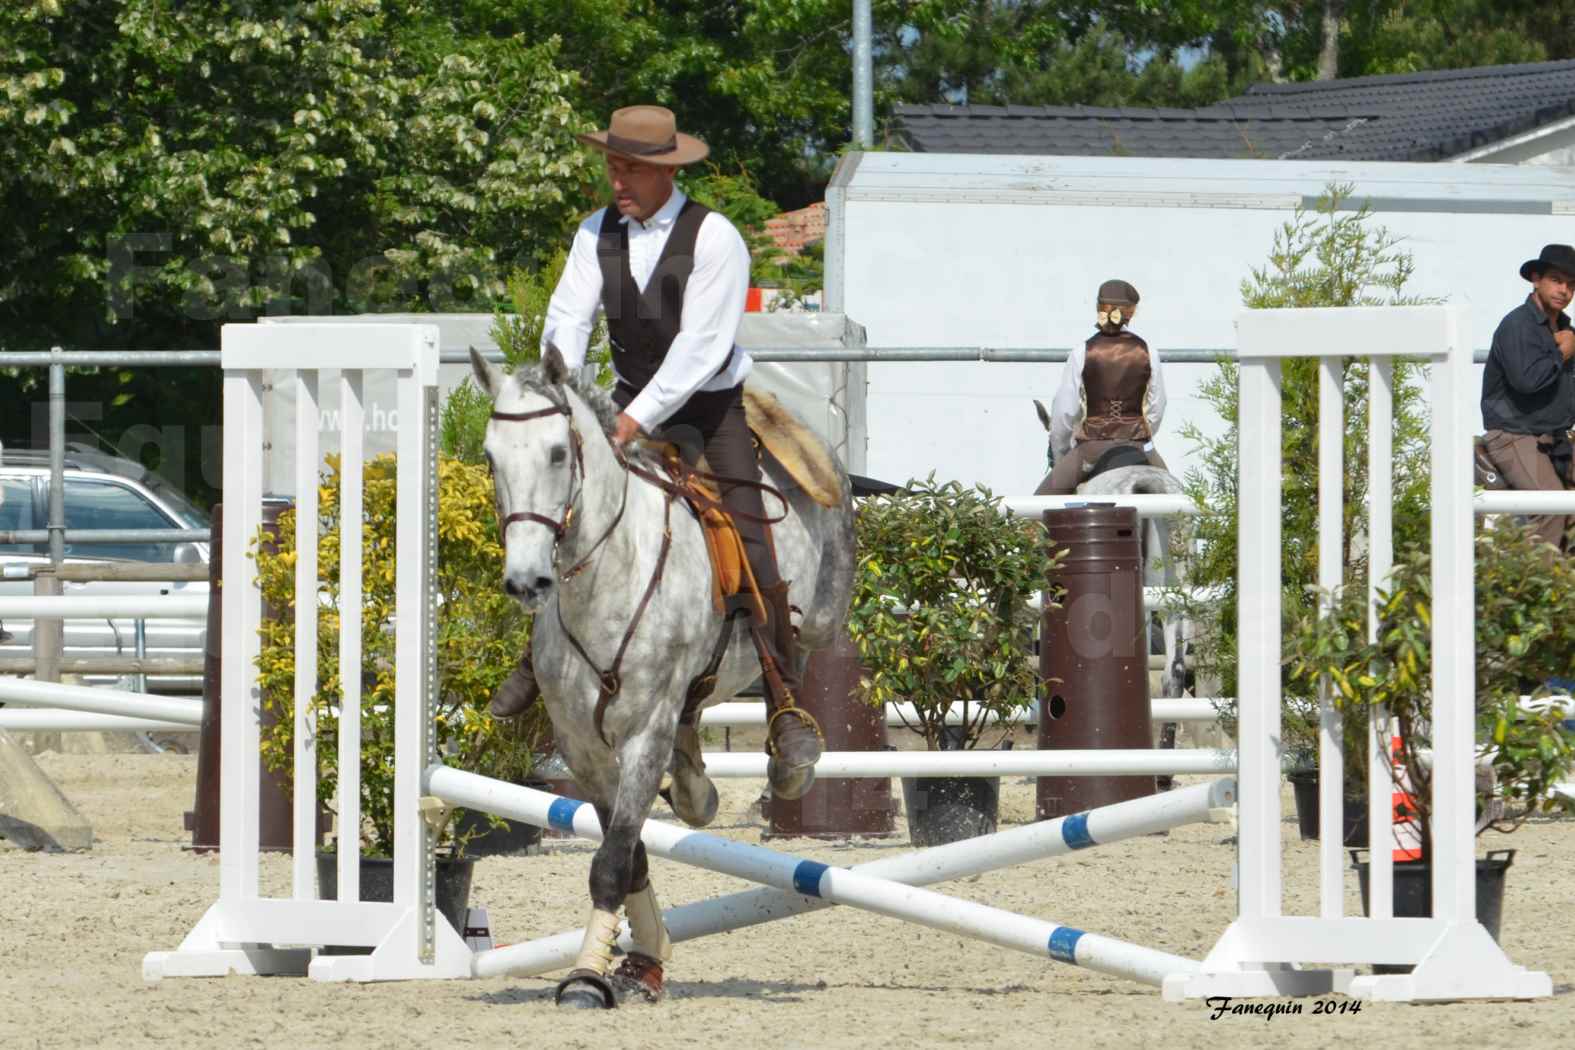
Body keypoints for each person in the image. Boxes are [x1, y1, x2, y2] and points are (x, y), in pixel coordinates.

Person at [487, 105, 822, 780]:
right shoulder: (594, 233)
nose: (617, 181)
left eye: (631, 169)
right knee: (560, 515)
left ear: (666, 171)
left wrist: (634, 420)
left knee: (750, 532)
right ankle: (534, 662)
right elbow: (566, 319)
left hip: (707, 411)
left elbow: (701, 349)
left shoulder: (716, 238)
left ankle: (783, 699)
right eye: (613, 166)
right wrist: (560, 390)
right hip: (619, 408)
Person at [1480, 243, 1575, 552]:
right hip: (1513, 434)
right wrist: (1561, 351)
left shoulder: (1564, 327)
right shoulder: (1518, 325)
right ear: (1536, 279)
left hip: (1553, 436)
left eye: (1571, 284)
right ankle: (1542, 592)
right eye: (1556, 280)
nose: (1564, 290)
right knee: (1549, 507)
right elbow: (1527, 381)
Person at [1036, 279, 1167, 495]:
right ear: (1131, 313)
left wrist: (1061, 456)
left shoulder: (1082, 352)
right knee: (1179, 510)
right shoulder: (1149, 352)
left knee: (1036, 508)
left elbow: (1063, 413)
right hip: (1140, 446)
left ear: (1099, 308)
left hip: (1091, 449)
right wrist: (1141, 436)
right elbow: (1158, 406)